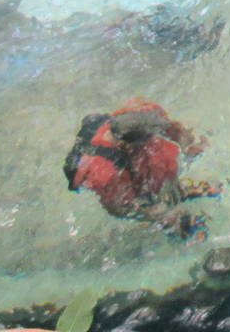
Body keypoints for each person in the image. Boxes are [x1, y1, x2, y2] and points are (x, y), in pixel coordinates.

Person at [63, 99, 219, 237]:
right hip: (114, 174)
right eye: (148, 140)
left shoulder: (146, 112)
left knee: (163, 165)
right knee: (147, 200)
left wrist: (189, 145)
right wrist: (154, 214)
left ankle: (175, 192)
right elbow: (117, 208)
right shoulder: (102, 172)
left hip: (128, 140)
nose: (154, 141)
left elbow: (171, 126)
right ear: (127, 145)